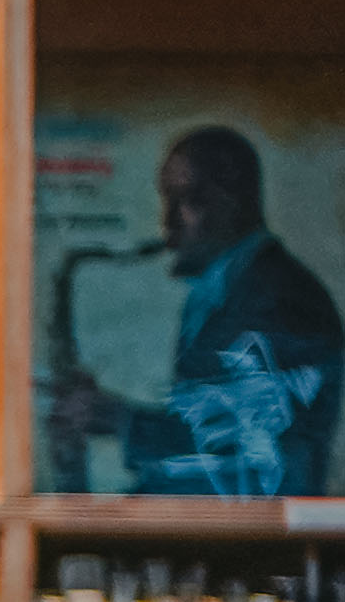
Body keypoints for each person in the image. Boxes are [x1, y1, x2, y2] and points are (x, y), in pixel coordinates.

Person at [60, 123, 345, 498]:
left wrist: (119, 420)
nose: (168, 223)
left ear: (235, 202)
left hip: (261, 535)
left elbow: (253, 440)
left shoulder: (282, 297)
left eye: (190, 200)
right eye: (167, 199)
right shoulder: (230, 288)